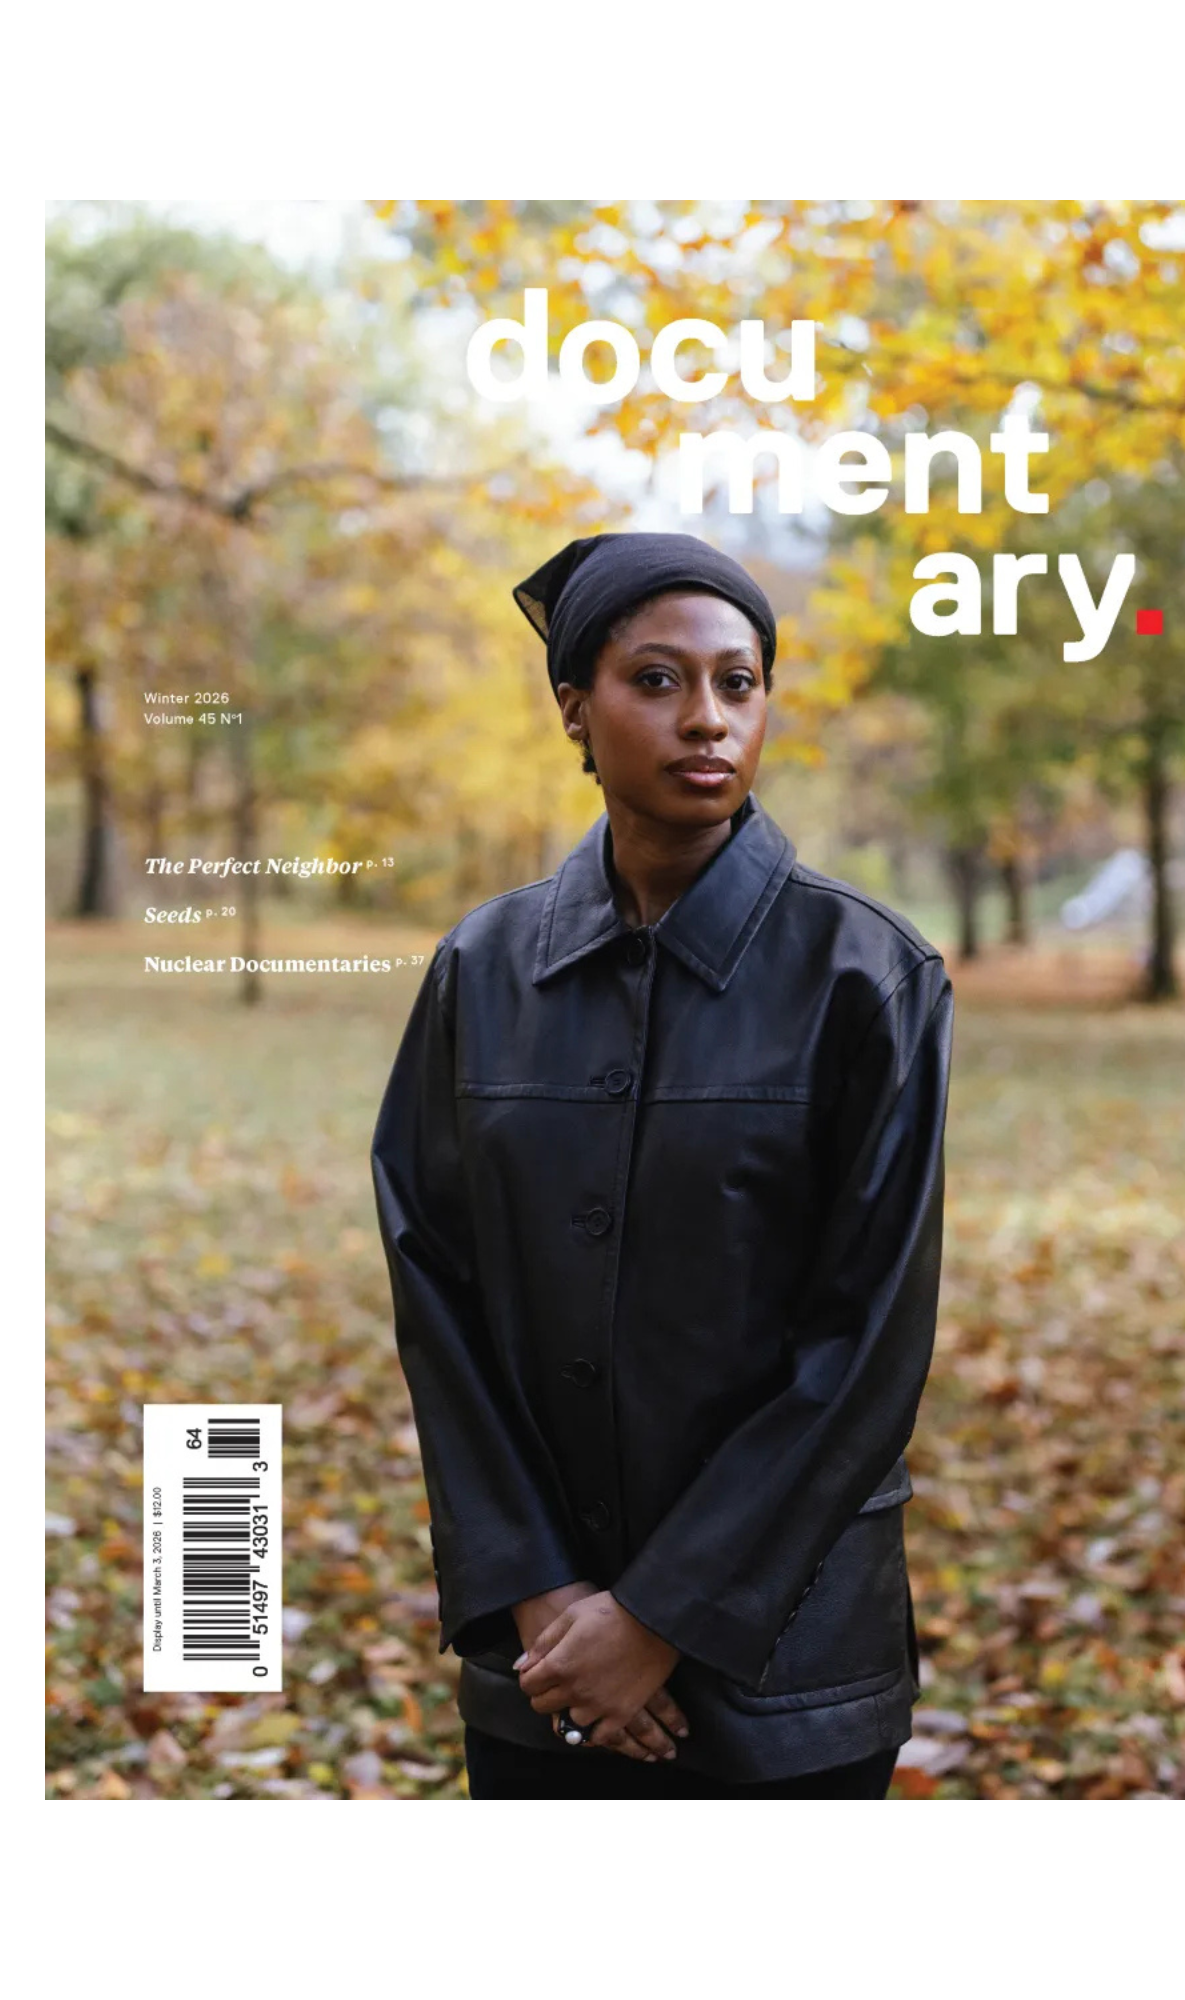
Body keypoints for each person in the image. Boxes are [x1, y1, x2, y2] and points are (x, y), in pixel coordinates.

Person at [370, 531, 955, 1798]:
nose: (706, 719)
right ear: (573, 710)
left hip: (786, 1671)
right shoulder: (481, 970)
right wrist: (542, 1600)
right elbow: (439, 1298)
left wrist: (658, 1621)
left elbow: (864, 1348)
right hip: (546, 1667)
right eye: (656, 680)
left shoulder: (869, 976)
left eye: (737, 684)